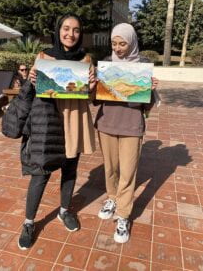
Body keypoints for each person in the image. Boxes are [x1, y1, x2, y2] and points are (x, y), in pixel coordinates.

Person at [17, 13, 96, 250]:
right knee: (41, 173)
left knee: (70, 168)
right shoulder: (44, 56)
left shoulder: (86, 59)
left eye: (76, 30)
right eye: (66, 28)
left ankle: (64, 210)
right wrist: (31, 80)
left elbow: (89, 96)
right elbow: (33, 89)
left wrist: (92, 87)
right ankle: (29, 222)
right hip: (48, 122)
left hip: (75, 120)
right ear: (58, 30)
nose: (71, 34)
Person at [94, 23, 159, 243]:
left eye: (123, 43)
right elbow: (95, 100)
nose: (118, 48)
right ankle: (112, 198)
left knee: (128, 172)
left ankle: (123, 215)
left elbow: (147, 106)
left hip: (131, 126)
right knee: (110, 169)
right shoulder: (106, 63)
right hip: (106, 125)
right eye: (114, 43)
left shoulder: (142, 65)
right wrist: (93, 86)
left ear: (131, 42)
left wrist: (150, 90)